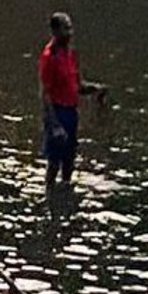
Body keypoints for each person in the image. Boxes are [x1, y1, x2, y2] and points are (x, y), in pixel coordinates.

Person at [38, 11, 107, 191]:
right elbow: (45, 94)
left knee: (69, 159)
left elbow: (77, 85)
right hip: (57, 113)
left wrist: (95, 89)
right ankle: (50, 195)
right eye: (65, 29)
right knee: (54, 162)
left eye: (70, 28)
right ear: (54, 31)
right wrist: (54, 125)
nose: (70, 33)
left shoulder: (70, 54)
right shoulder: (49, 57)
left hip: (70, 112)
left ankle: (64, 196)